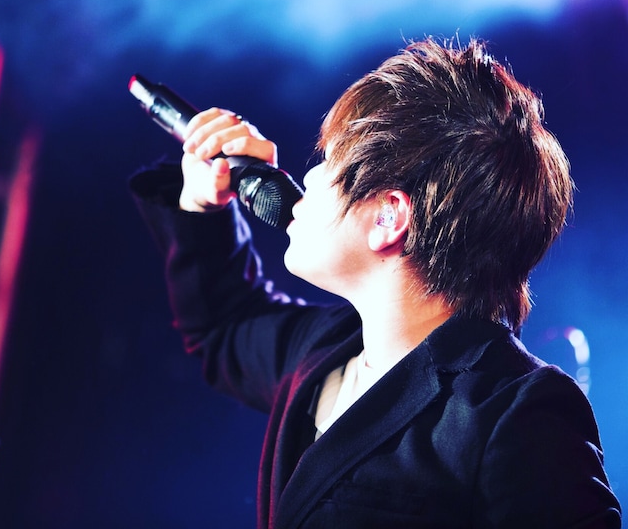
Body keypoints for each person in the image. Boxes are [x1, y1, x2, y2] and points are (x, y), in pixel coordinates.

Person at [130, 38, 621, 528]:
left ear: (389, 216)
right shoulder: (323, 351)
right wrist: (203, 202)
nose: (308, 180)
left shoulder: (516, 412)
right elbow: (224, 326)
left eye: (329, 161)